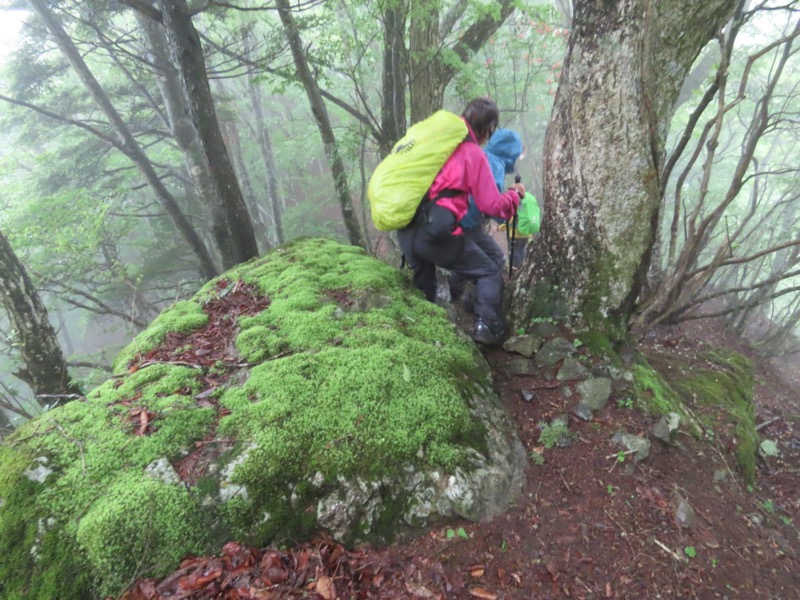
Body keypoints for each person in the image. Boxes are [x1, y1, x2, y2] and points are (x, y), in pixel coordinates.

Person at [397, 98, 524, 345]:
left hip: (407, 229)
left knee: (426, 294)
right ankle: (487, 327)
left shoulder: (439, 146)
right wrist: (514, 195)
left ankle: (422, 343)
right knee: (489, 270)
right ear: (488, 128)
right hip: (435, 231)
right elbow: (492, 205)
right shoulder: (471, 153)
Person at [449, 128, 524, 309]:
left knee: (464, 260)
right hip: (467, 224)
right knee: (495, 258)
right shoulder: (494, 164)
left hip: (455, 220)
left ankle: (456, 300)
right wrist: (514, 198)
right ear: (510, 152)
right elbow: (488, 204)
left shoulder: (482, 156)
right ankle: (476, 305)